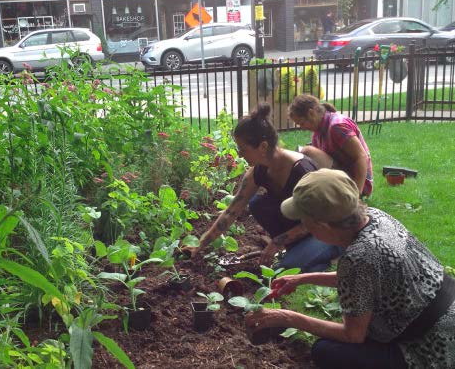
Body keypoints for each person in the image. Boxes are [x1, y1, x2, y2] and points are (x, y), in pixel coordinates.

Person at [246, 169, 455, 369]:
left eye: (304, 221)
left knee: (325, 351)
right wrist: (303, 279)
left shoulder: (358, 257)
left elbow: (353, 335)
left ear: (322, 225)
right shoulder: (377, 218)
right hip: (447, 315)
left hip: (433, 349)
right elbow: (364, 278)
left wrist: (288, 317)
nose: (303, 226)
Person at [182, 103, 343, 273]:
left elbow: (316, 222)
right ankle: (298, 252)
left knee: (283, 269)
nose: (239, 154)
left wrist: (277, 242)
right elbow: (232, 211)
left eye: (243, 149)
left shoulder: (301, 171)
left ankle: (324, 257)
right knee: (257, 203)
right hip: (302, 226)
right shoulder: (257, 172)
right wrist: (200, 245)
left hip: (326, 231)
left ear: (263, 147)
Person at [288, 94, 373, 197]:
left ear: (311, 113)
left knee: (307, 152)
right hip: (343, 177)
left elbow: (361, 157)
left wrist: (356, 194)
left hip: (357, 183)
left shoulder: (337, 127)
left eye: (302, 123)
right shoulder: (317, 133)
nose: (302, 128)